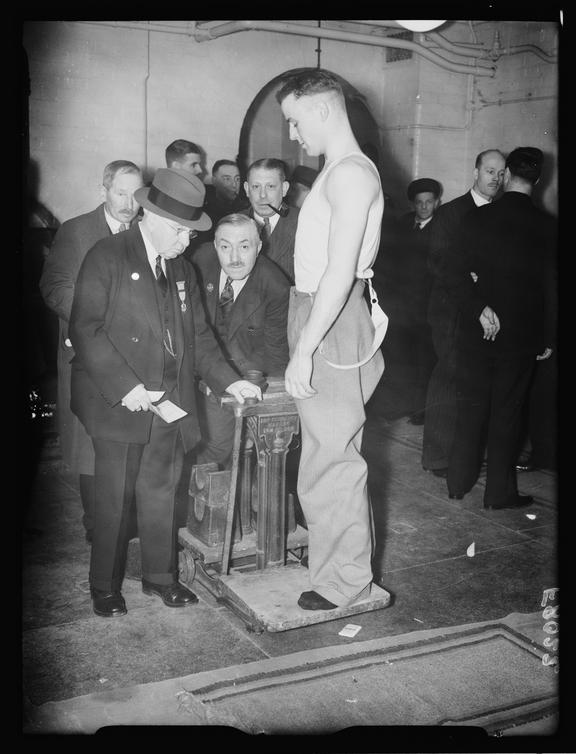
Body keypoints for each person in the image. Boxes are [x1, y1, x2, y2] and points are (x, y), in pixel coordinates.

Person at [69, 168, 262, 618]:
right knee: (114, 496)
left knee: (161, 491)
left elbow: (200, 335)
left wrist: (227, 379)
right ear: (150, 216)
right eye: (179, 229)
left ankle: (160, 577)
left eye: (190, 231)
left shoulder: (181, 268)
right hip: (119, 400)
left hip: (169, 401)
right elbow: (86, 328)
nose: (185, 240)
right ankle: (104, 586)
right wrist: (127, 386)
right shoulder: (107, 256)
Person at [276, 69, 385, 611]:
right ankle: (334, 566)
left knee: (333, 457)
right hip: (321, 314)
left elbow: (340, 274)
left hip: (331, 319)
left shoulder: (349, 174)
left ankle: (344, 582)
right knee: (324, 452)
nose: (294, 134)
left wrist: (304, 349)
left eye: (295, 121)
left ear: (321, 110)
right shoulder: (338, 172)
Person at [441, 147, 556, 509]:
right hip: (521, 337)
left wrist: (479, 308)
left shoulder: (476, 219)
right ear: (537, 180)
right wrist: (548, 337)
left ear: (505, 176)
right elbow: (553, 288)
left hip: (477, 330)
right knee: (508, 412)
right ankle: (499, 494)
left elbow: (452, 273)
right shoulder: (548, 226)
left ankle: (457, 483)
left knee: (470, 407)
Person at [39, 160, 144, 543]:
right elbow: (54, 286)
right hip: (86, 356)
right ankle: (95, 525)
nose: (129, 204)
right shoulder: (77, 231)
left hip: (132, 360)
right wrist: (97, 321)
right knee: (90, 449)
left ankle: (125, 523)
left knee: (129, 443)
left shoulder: (144, 232)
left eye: (136, 195)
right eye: (121, 194)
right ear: (103, 191)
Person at [422, 149, 505, 478]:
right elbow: (440, 264)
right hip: (450, 312)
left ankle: (465, 452)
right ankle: (438, 456)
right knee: (449, 376)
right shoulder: (452, 213)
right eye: (489, 171)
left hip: (483, 309)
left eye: (500, 173)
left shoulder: (499, 213)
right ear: (475, 172)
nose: (495, 179)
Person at [192, 213, 290, 467]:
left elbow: (276, 353)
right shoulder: (199, 263)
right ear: (215, 247)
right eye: (225, 247)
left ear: (259, 247)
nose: (234, 258)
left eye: (244, 247)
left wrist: (263, 413)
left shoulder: (275, 286)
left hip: (242, 378)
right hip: (194, 370)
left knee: (220, 444)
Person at [376, 178, 441, 424]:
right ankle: (399, 405)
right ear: (413, 204)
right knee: (401, 359)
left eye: (429, 202)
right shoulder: (403, 224)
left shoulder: (441, 228)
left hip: (426, 307)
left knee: (424, 360)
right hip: (402, 306)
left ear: (437, 202)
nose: (424, 207)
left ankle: (421, 409)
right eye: (419, 203)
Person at [242, 158, 299, 283]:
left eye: (271, 186)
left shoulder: (303, 222)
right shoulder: (232, 224)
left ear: (284, 189)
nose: (263, 195)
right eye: (256, 186)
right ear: (247, 189)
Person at [203, 159, 248, 227]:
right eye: (227, 179)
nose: (234, 185)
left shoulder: (246, 209)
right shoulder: (204, 210)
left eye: (237, 179)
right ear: (214, 181)